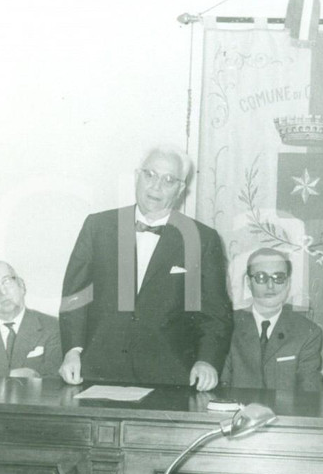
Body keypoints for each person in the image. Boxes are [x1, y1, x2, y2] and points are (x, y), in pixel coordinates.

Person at [59, 146, 233, 390]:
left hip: (171, 374)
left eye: (169, 180)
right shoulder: (98, 226)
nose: (156, 186)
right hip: (97, 370)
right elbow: (75, 297)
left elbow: (215, 313)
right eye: (150, 175)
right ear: (136, 176)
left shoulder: (201, 238)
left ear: (181, 189)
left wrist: (207, 361)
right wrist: (72, 350)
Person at [220, 248, 323, 391]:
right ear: (249, 282)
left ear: (288, 283)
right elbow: (220, 387)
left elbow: (311, 393)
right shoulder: (228, 325)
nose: (270, 286)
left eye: (278, 277)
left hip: (286, 413)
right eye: (261, 277)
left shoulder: (307, 332)